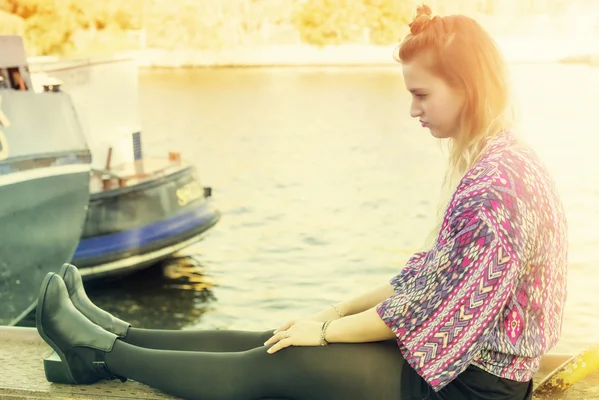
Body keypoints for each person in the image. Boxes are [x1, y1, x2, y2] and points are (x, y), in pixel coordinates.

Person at [35, 5, 568, 400]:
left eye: (421, 94)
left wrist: (326, 330)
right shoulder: (499, 158)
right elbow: (427, 278)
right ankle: (116, 334)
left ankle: (97, 355)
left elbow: (429, 312)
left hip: (468, 386)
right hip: (455, 364)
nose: (412, 110)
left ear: (468, 87)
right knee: (274, 339)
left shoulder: (495, 189)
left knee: (270, 367)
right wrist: (329, 315)